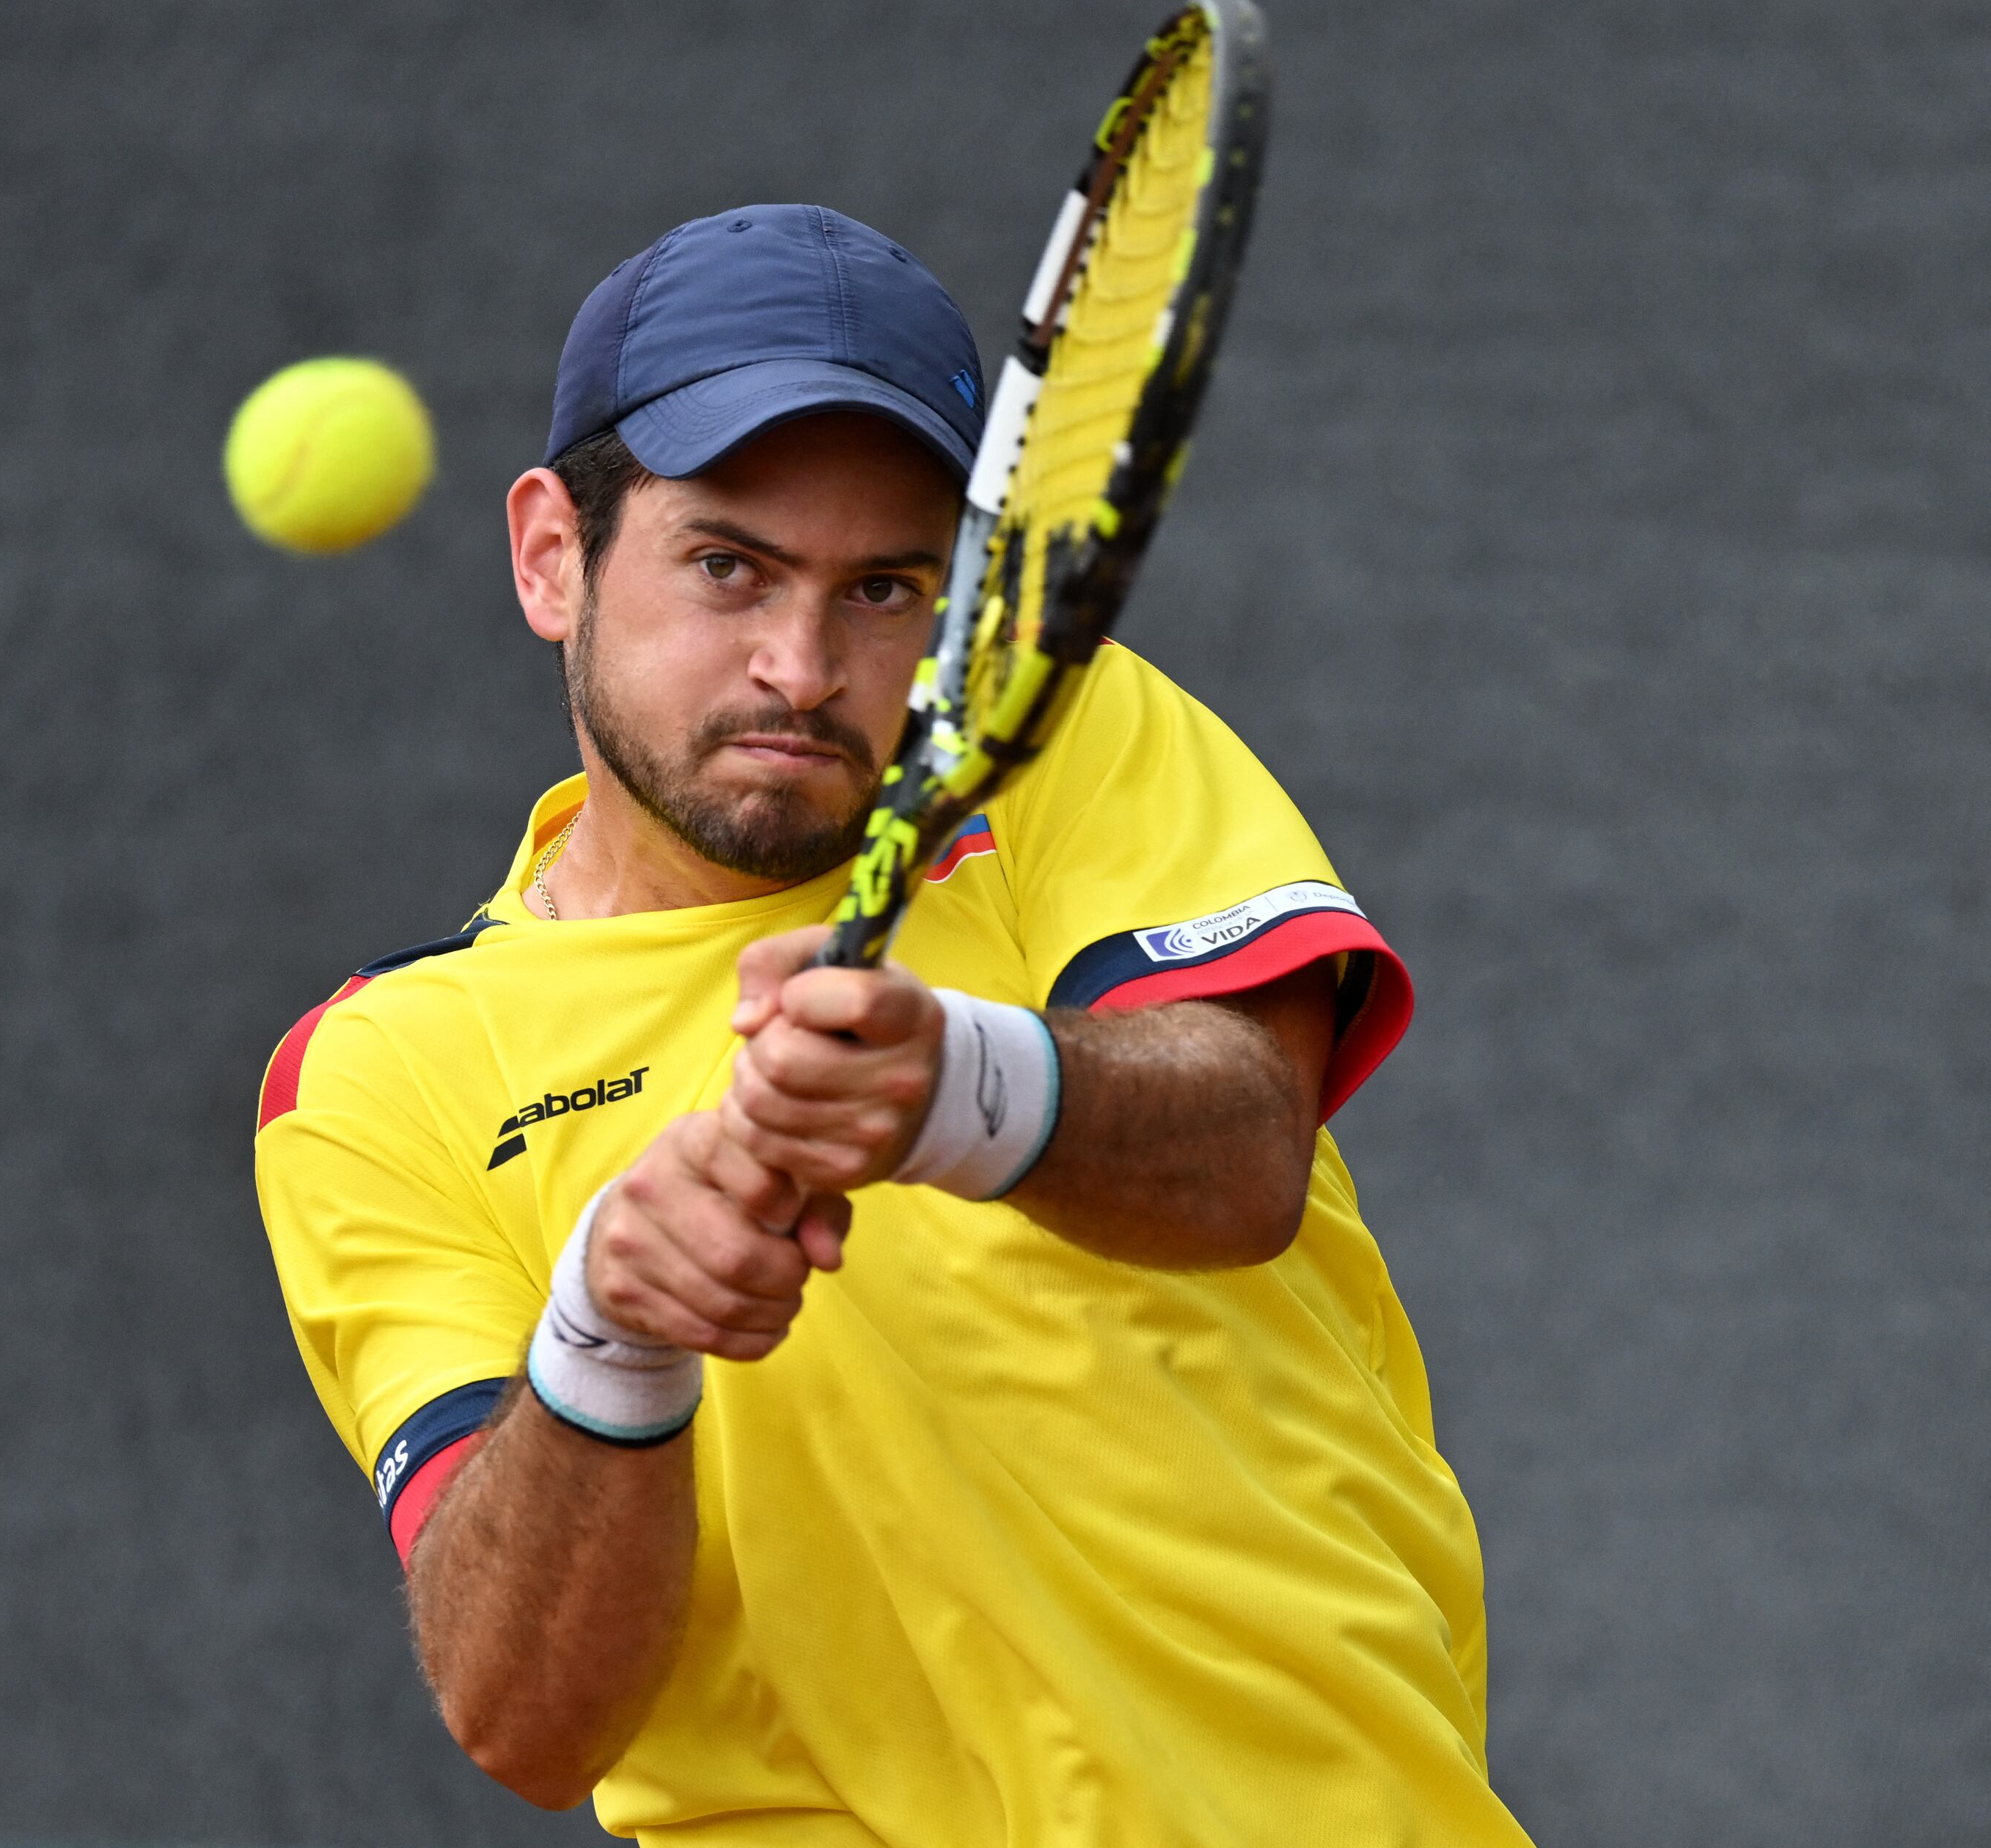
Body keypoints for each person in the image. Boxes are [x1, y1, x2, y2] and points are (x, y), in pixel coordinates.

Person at [252, 204, 1531, 1847]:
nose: (802, 664)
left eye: (886, 589)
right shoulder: (377, 1076)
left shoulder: (1046, 734)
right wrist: (607, 1343)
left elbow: (1245, 1151)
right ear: (551, 553)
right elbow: (526, 1718)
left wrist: (955, 1089)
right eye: (728, 566)